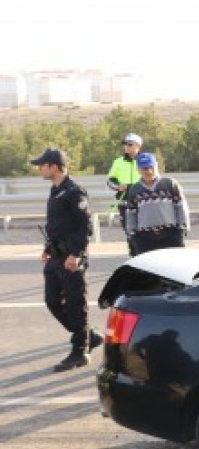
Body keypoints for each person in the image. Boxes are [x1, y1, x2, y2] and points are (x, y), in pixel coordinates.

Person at [31, 148, 101, 373]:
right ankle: (88, 334)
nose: (39, 168)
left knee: (75, 303)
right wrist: (47, 249)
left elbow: (85, 226)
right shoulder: (55, 190)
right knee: (52, 300)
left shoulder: (74, 191)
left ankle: (80, 351)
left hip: (71, 257)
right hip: (56, 256)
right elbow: (57, 226)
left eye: (42, 165)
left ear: (54, 166)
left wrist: (76, 254)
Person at [124, 152, 191, 254]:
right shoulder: (135, 190)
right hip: (145, 238)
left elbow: (181, 208)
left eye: (151, 167)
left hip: (171, 235)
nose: (149, 171)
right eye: (145, 168)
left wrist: (181, 230)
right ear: (138, 170)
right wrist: (133, 236)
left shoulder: (170, 184)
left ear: (156, 166)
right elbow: (131, 214)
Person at [107, 133, 144, 255]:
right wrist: (119, 186)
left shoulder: (145, 160)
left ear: (138, 146)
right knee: (130, 232)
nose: (126, 147)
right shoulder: (118, 162)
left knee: (144, 231)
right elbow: (109, 181)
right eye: (125, 145)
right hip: (124, 203)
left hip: (143, 202)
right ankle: (134, 257)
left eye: (130, 144)